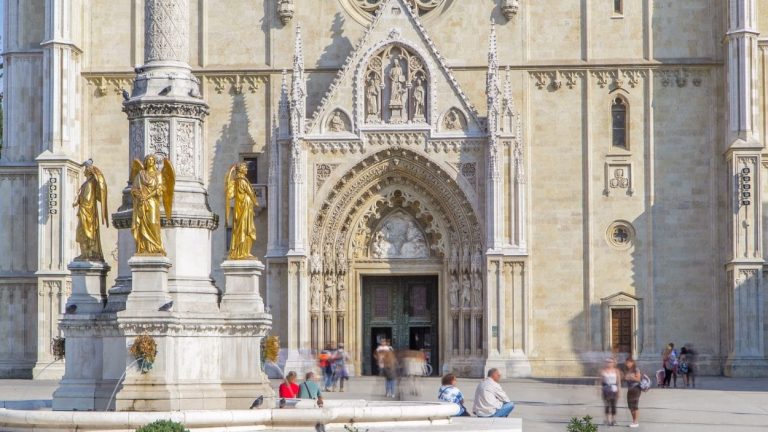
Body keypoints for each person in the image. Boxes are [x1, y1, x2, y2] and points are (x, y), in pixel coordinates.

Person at [598, 358, 621, 426]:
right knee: (607, 405)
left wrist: (619, 391)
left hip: (614, 389)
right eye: (607, 362)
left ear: (613, 363)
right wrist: (598, 389)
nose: (609, 363)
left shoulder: (616, 371)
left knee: (613, 405)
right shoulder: (602, 371)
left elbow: (618, 382)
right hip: (606, 389)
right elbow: (599, 381)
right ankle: (608, 420)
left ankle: (614, 420)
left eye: (610, 362)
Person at [624, 357, 642, 428]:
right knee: (630, 406)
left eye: (628, 362)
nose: (627, 364)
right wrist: (626, 377)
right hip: (630, 389)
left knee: (634, 405)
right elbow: (625, 378)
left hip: (636, 389)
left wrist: (632, 377)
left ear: (632, 362)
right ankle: (634, 420)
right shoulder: (628, 370)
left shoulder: (636, 369)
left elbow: (638, 379)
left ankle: (636, 422)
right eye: (626, 363)